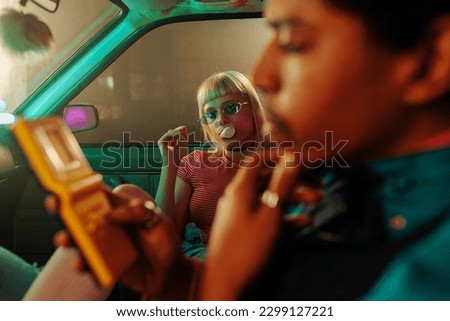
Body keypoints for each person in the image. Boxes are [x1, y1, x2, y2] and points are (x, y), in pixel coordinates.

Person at [52, 0, 450, 300]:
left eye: (293, 41)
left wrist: (216, 289)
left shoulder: (422, 278)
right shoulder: (335, 175)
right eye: (211, 112)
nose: (262, 74)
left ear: (429, 61)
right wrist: (181, 283)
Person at [150, 70, 265, 258]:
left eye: (231, 108)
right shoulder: (195, 162)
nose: (221, 120)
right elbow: (164, 235)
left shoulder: (276, 164)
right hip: (201, 256)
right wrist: (170, 164)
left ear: (253, 110)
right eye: (211, 114)